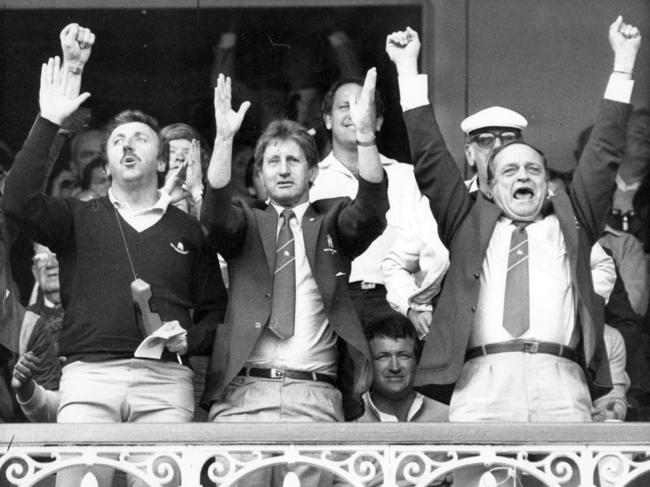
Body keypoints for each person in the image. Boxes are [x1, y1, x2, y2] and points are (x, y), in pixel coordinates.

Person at [2, 25, 227, 486]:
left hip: (166, 384)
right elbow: (17, 201)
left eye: (140, 138)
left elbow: (214, 313)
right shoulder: (78, 217)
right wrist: (48, 122)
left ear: (163, 161)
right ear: (105, 167)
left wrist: (192, 340)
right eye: (118, 140)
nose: (128, 144)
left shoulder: (189, 229)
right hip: (88, 378)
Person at [386, 17, 639, 419]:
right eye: (509, 170)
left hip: (561, 380)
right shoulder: (467, 223)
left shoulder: (572, 221)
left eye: (532, 169)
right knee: (479, 483)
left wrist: (624, 62)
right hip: (483, 380)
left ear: (547, 183)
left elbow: (604, 152)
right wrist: (406, 68)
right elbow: (430, 158)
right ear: (491, 184)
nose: (522, 175)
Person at [200, 70, 387, 487]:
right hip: (244, 396)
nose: (283, 170)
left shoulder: (333, 219)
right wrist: (225, 140)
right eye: (273, 162)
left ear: (313, 172)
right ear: (261, 175)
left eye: (294, 160)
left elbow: (372, 210)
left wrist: (365, 138)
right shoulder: (246, 222)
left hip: (314, 397)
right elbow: (213, 216)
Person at [309, 77, 448, 334]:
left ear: (379, 121)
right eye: (344, 106)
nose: (355, 113)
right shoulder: (311, 180)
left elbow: (428, 246)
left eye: (364, 106)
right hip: (329, 310)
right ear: (327, 120)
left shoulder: (407, 176)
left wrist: (415, 302)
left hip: (395, 305)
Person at [359, 313, 447, 423]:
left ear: (417, 361)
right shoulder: (352, 418)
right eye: (383, 357)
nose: (394, 367)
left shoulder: (446, 416)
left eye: (403, 356)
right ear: (368, 363)